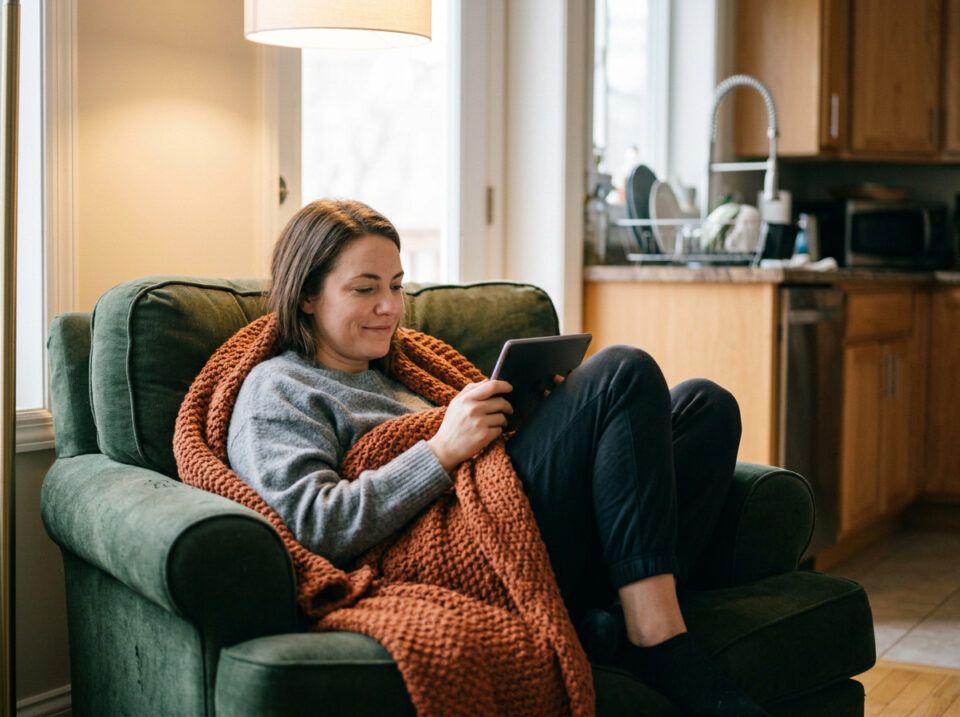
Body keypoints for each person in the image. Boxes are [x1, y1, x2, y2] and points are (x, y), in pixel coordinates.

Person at [225, 198, 769, 717]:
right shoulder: (278, 388)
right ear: (307, 296)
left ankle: (606, 617)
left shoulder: (402, 367)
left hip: (505, 517)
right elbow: (310, 524)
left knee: (707, 407)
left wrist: (535, 419)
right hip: (455, 553)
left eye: (395, 286)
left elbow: (492, 465)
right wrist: (440, 451)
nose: (389, 308)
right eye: (365, 289)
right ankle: (656, 638)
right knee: (622, 370)